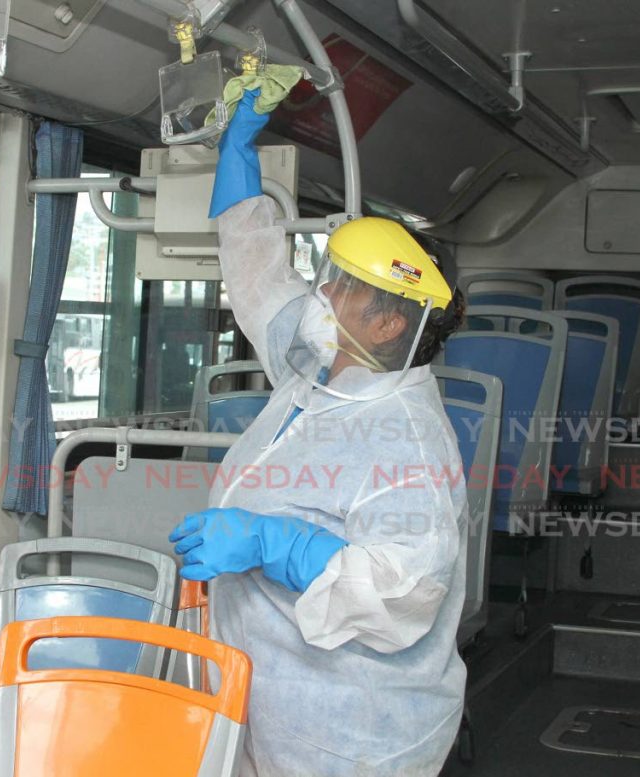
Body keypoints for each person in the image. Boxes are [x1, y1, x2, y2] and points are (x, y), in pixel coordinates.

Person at [168, 89, 469, 776]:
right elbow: (260, 279)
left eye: (342, 286)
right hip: (267, 697)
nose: (322, 294)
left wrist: (275, 542)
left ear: (391, 323)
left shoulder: (407, 441)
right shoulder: (322, 367)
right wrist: (237, 160)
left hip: (352, 730)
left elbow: (403, 589)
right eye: (331, 274)